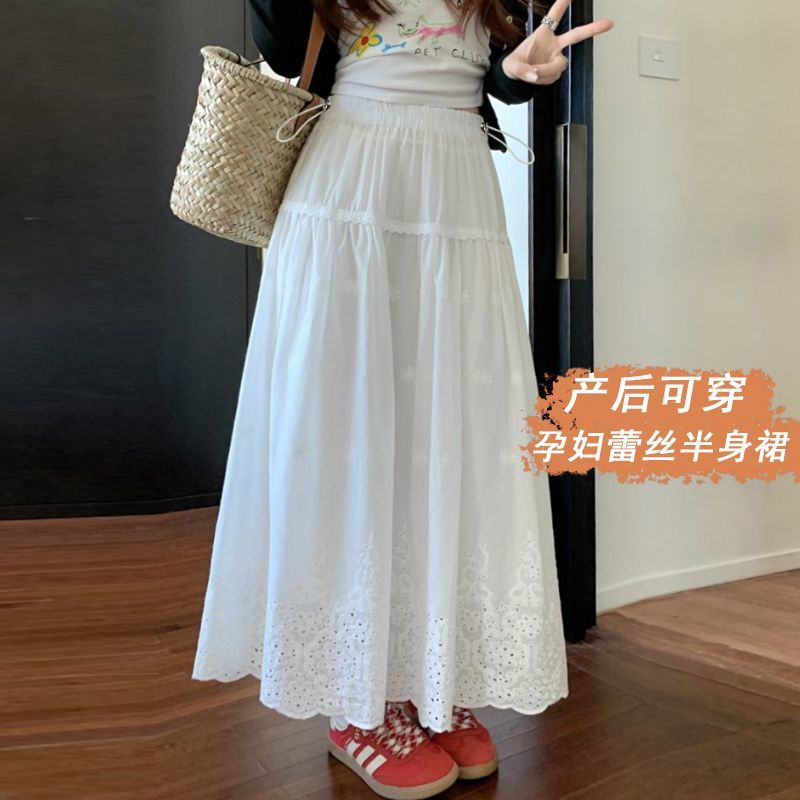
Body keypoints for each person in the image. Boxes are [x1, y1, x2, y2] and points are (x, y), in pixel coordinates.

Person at [191, 1, 613, 798]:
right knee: (350, 435)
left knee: (453, 438)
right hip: (353, 181)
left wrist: (519, 71)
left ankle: (431, 677)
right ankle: (359, 701)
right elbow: (282, 41)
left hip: (456, 186)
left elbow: (496, 69)